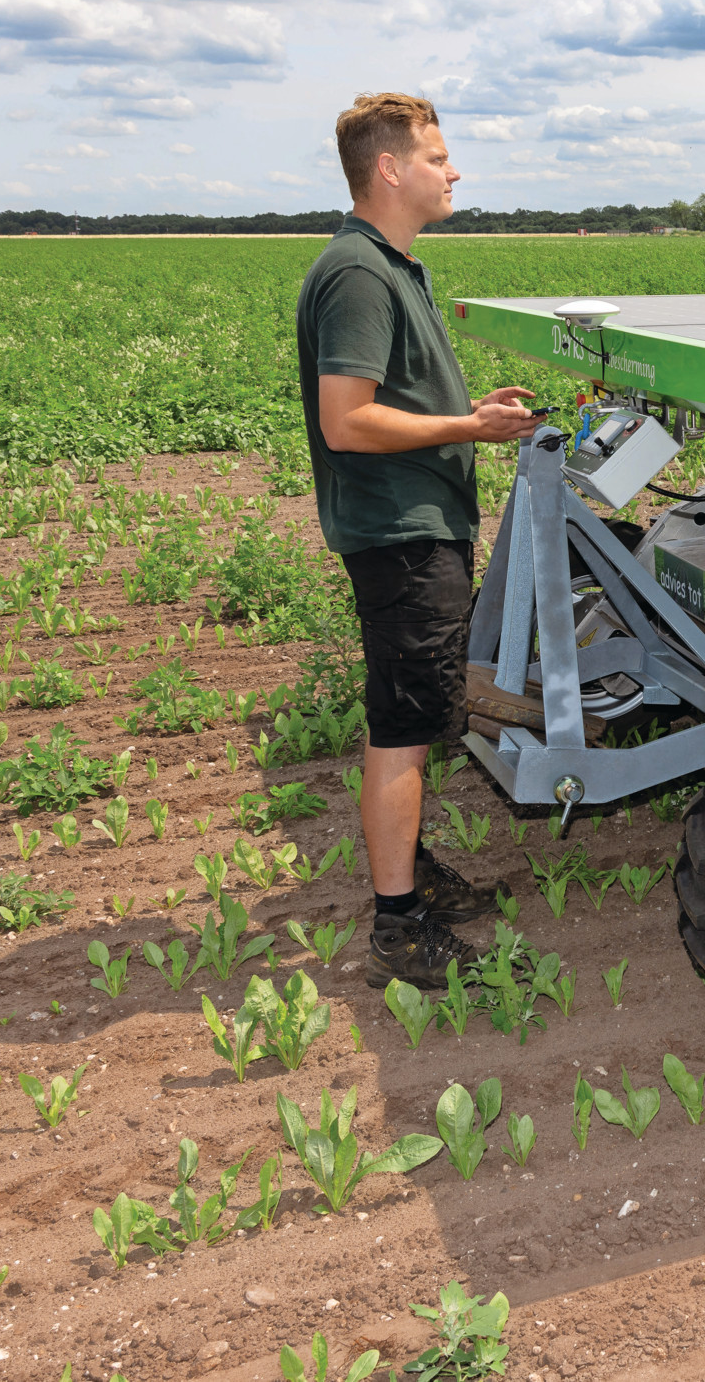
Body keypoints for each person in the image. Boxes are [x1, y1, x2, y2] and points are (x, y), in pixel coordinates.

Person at [296, 91, 539, 987]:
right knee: (402, 724)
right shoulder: (359, 273)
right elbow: (348, 420)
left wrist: (468, 414)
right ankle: (398, 922)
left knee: (415, 710)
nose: (454, 169)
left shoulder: (391, 264)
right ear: (389, 169)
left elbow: (389, 402)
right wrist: (468, 433)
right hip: (399, 530)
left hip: (413, 522)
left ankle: (411, 867)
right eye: (438, 155)